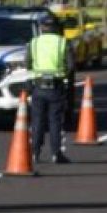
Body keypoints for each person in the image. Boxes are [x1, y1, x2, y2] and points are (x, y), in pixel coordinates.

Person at [27, 14, 72, 164]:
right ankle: (56, 153)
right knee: (55, 121)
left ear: (41, 27)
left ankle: (35, 153)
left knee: (37, 121)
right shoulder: (63, 42)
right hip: (56, 87)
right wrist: (62, 74)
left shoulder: (33, 43)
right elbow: (71, 66)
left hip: (38, 86)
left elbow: (28, 63)